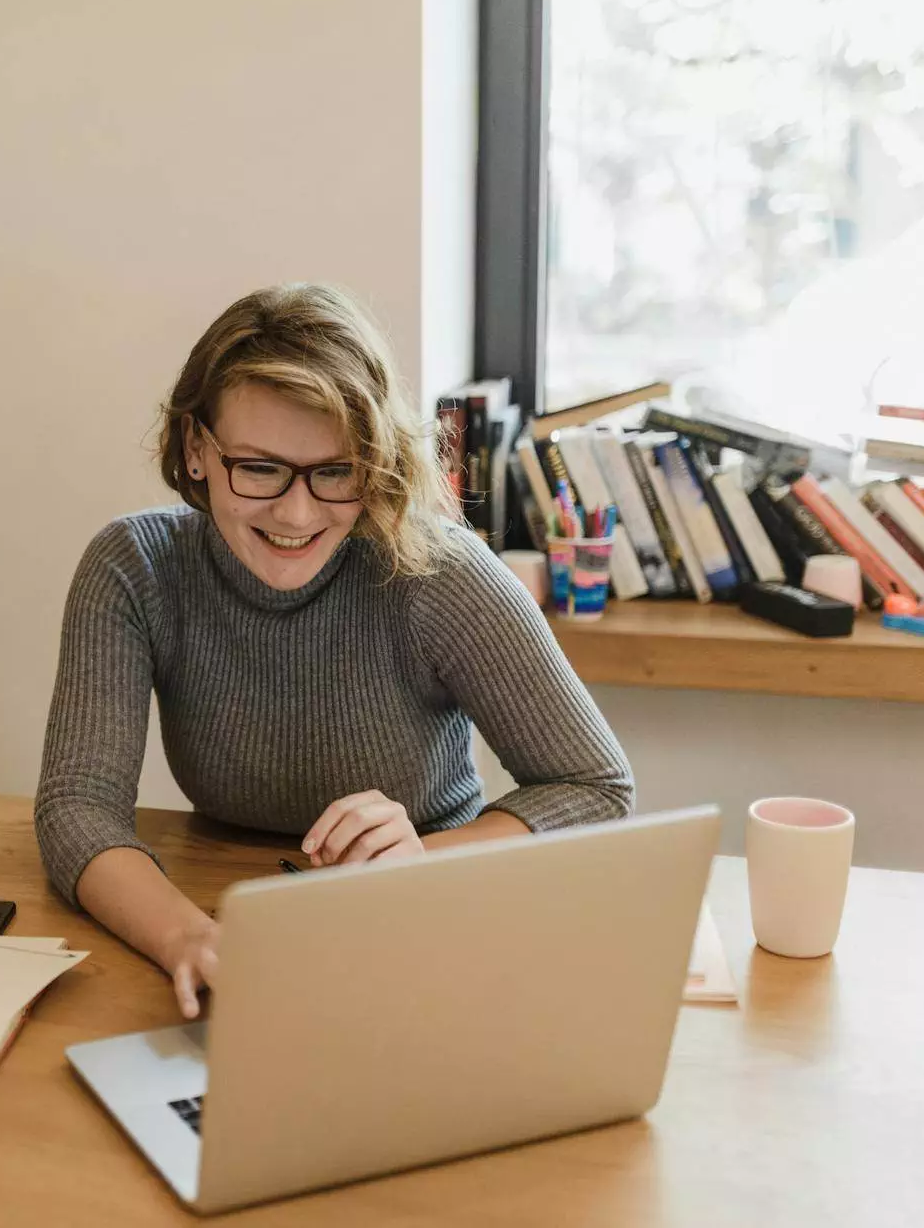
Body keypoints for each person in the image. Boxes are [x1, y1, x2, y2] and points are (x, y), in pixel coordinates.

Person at [34, 283, 633, 1019]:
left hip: (425, 922)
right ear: (196, 449)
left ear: (374, 460)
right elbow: (77, 809)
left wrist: (419, 857)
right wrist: (189, 937)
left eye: (335, 471)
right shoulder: (134, 567)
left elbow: (597, 787)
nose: (296, 512)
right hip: (222, 898)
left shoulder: (438, 572)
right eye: (258, 467)